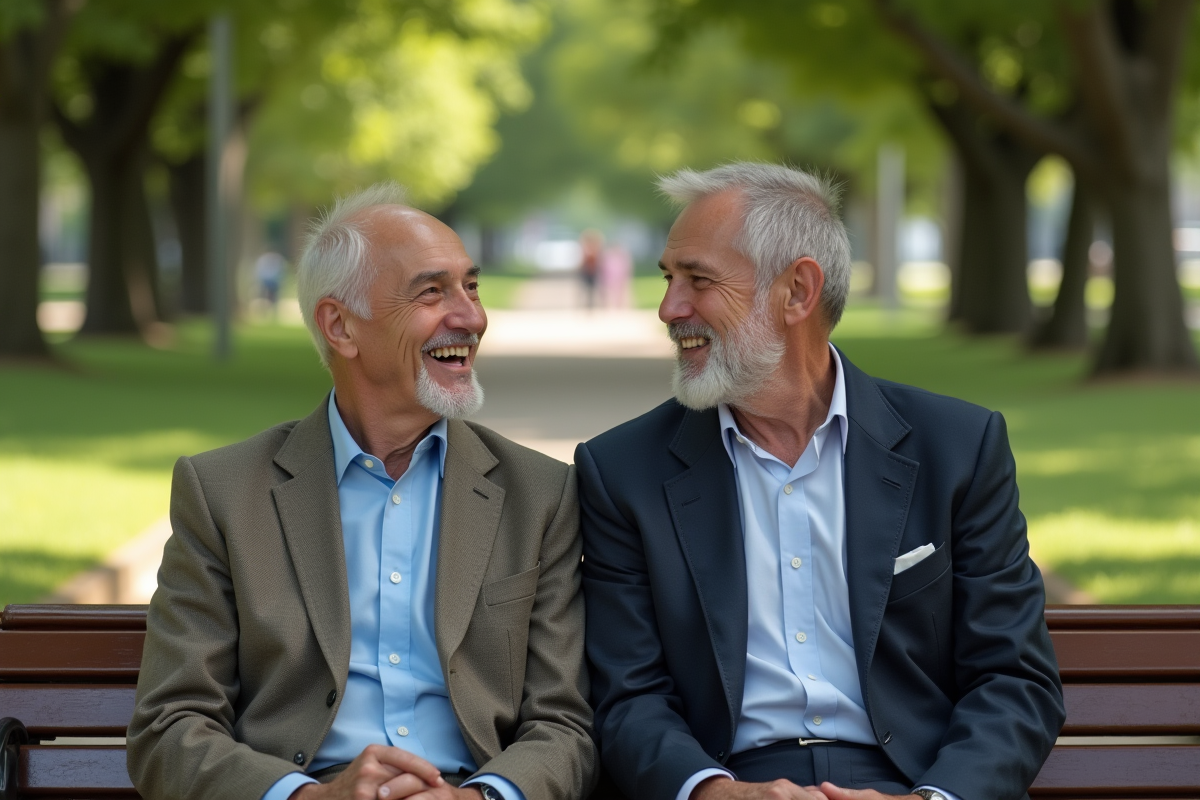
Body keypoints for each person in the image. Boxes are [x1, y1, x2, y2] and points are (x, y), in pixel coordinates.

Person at [576, 163, 1064, 800]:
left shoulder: (958, 449)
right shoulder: (623, 472)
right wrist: (712, 791)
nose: (670, 309)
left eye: (699, 280)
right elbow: (627, 694)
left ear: (798, 291)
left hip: (914, 781)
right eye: (669, 278)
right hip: (730, 782)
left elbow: (1014, 679)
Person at [128, 183, 596, 800]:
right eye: (432, 292)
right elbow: (169, 727)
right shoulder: (223, 493)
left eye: (471, 287)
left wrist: (481, 797)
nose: (472, 317)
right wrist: (309, 797)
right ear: (340, 326)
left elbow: (564, 725)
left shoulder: (540, 495)